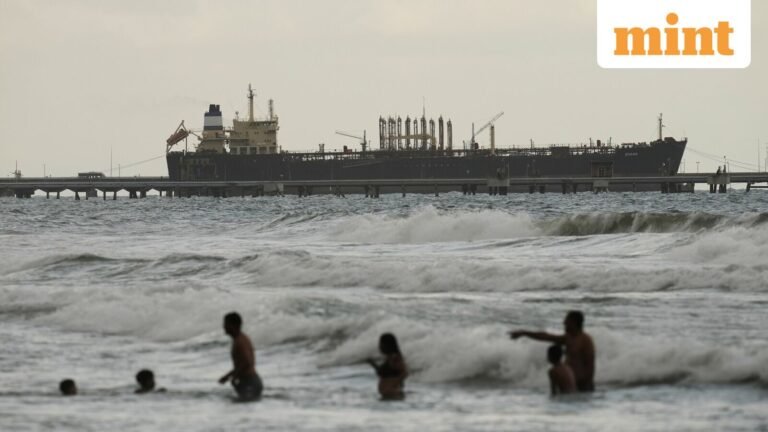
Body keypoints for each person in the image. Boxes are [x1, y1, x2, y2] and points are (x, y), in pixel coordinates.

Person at [510, 310, 596, 392]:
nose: (564, 323)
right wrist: (524, 333)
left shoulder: (586, 340)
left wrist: (586, 385)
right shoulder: (568, 338)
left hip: (583, 386)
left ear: (574, 323)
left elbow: (590, 366)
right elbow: (546, 336)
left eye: (567, 321)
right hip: (570, 384)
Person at [219, 312, 263, 401]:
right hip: (249, 381)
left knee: (245, 411)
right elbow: (242, 364)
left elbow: (247, 362)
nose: (223, 326)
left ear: (233, 325)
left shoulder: (240, 341)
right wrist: (227, 376)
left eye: (226, 324)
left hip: (250, 382)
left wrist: (234, 376)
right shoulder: (240, 339)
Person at [367, 333, 408, 400]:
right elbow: (384, 374)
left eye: (381, 344)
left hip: (394, 395)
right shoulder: (389, 358)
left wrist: (393, 384)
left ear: (388, 345)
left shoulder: (395, 358)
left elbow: (405, 373)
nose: (379, 347)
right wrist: (372, 364)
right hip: (388, 396)